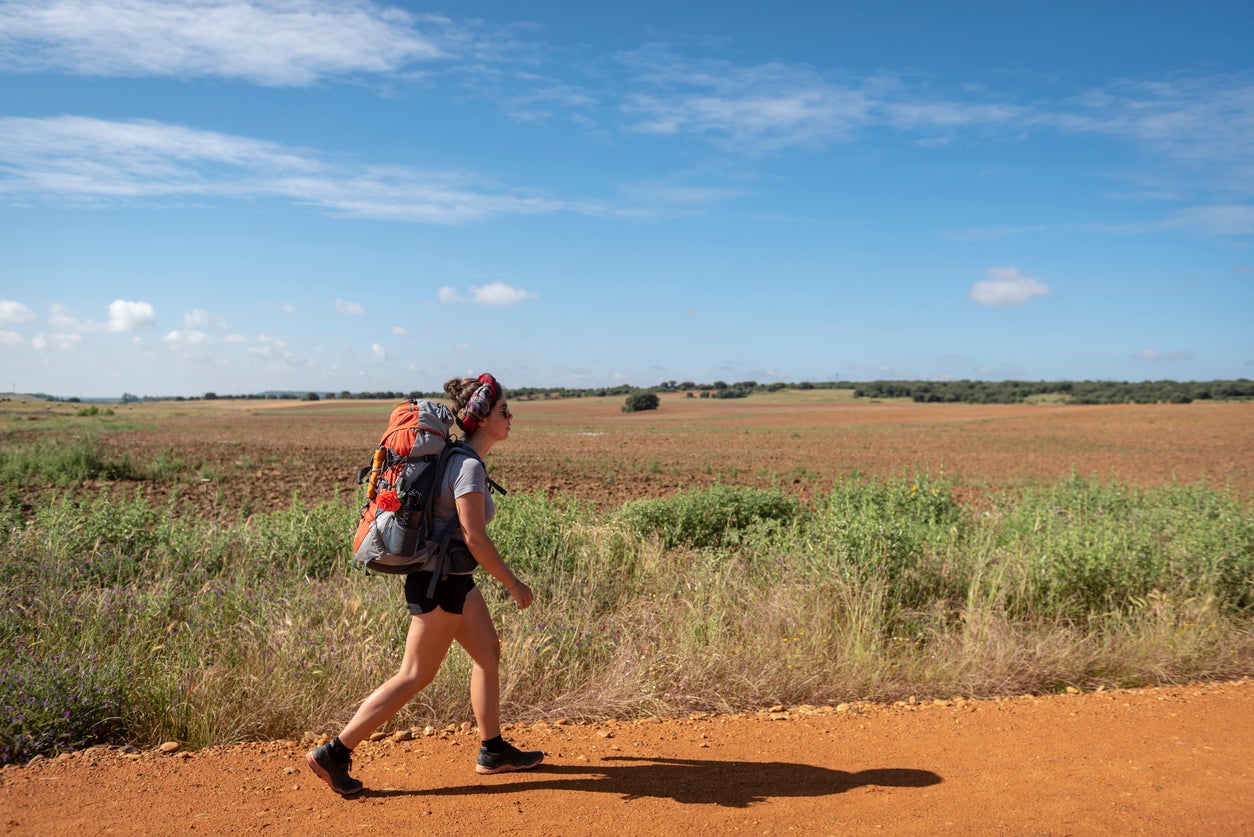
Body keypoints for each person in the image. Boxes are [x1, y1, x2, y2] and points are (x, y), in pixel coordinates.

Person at [306, 373, 541, 796]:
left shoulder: (456, 458)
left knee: (487, 653)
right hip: (438, 586)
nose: (511, 417)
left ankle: (493, 750)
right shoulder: (466, 465)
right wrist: (513, 583)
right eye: (505, 410)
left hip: (453, 581)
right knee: (414, 674)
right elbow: (475, 538)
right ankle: (334, 753)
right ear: (484, 418)